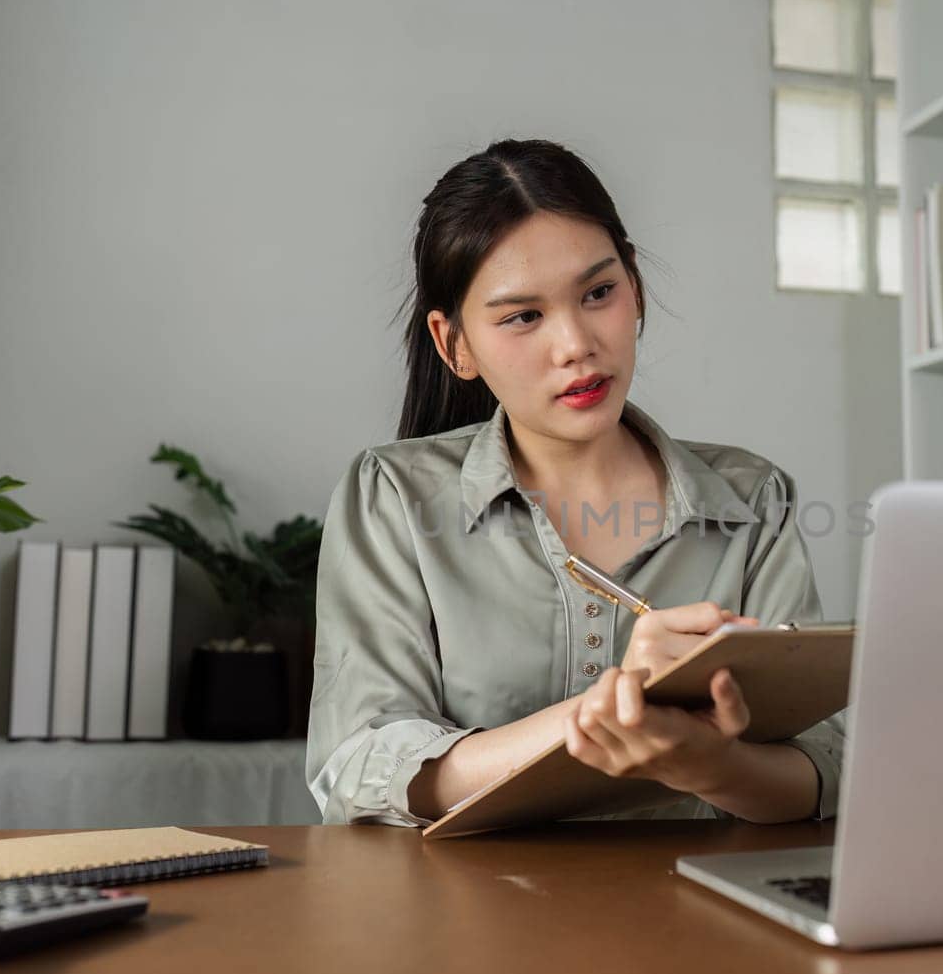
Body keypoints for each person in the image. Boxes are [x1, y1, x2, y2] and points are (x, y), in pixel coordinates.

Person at [306, 139, 843, 827]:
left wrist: (707, 763)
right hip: (458, 929)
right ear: (454, 345)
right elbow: (359, 765)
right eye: (523, 316)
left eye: (598, 293)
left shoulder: (751, 496)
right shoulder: (392, 495)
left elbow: (825, 767)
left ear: (636, 286)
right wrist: (607, 716)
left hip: (692, 923)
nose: (576, 344)